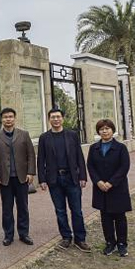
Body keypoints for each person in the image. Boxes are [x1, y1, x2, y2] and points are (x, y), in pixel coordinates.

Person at [37, 108, 91, 253]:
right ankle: (66, 237)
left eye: (58, 117)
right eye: (53, 117)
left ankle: (80, 239)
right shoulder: (44, 138)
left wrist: (83, 176)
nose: (56, 119)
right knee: (60, 210)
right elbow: (41, 159)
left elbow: (79, 156)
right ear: (49, 119)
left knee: (77, 210)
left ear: (62, 119)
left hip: (72, 178)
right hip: (54, 179)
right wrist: (42, 179)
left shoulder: (72, 135)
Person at [0, 107, 36, 246]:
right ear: (2, 119)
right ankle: (8, 235)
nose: (8, 119)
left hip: (22, 177)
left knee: (23, 207)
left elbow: (31, 154)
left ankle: (24, 234)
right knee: (7, 209)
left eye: (10, 117)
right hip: (5, 179)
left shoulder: (24, 134)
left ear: (15, 118)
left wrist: (30, 172)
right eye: (5, 117)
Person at [87, 119, 131, 257]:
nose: (104, 131)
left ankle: (122, 244)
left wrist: (111, 183)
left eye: (107, 128)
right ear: (98, 132)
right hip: (100, 188)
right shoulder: (94, 148)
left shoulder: (121, 148)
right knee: (105, 217)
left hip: (117, 188)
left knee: (119, 217)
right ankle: (110, 242)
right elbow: (91, 166)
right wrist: (98, 181)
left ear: (112, 130)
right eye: (101, 129)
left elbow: (124, 167)